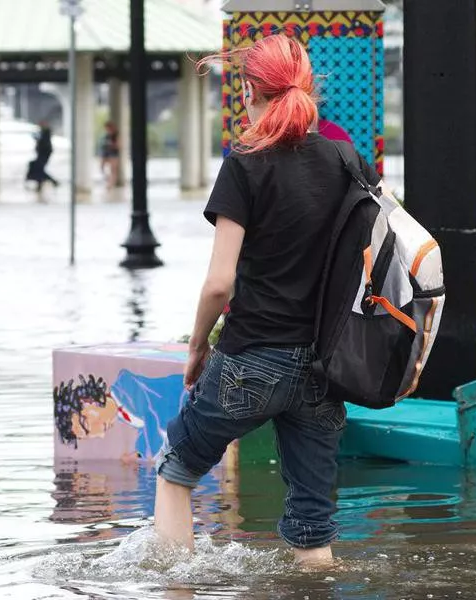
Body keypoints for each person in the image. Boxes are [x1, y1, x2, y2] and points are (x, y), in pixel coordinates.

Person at [152, 35, 380, 566]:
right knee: (312, 529)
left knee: (177, 470)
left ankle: (174, 583)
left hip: (253, 356)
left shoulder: (245, 164)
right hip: (326, 364)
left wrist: (196, 347)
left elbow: (219, 284)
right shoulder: (348, 161)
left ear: (251, 90)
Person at [26, 122, 58, 191]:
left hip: (43, 154)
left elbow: (43, 144)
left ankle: (53, 181)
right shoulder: (43, 133)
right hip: (41, 154)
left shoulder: (45, 133)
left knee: (39, 170)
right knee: (38, 169)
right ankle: (41, 184)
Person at [100, 121, 120, 189]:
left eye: (107, 128)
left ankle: (110, 185)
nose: (106, 130)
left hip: (114, 154)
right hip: (106, 154)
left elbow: (118, 145)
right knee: (102, 167)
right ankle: (108, 180)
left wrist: (112, 145)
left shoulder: (116, 135)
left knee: (113, 170)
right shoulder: (106, 135)